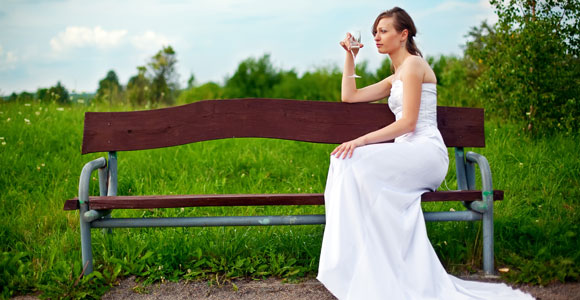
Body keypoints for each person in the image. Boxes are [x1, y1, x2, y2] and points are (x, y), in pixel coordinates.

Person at [316, 7, 534, 300]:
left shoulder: (415, 66)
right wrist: (350, 56)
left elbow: (408, 123)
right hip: (405, 154)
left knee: (350, 158)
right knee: (342, 163)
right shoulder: (395, 76)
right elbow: (349, 96)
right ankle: (361, 265)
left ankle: (373, 266)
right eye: (375, 32)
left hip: (425, 153)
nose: (377, 37)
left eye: (383, 31)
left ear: (403, 34)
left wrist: (361, 141)